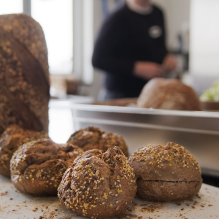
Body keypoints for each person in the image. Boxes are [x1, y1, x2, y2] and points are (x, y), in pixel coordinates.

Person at [92, 0, 176, 100]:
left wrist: (167, 57)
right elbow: (98, 59)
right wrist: (136, 68)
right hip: (121, 96)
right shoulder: (118, 17)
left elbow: (160, 47)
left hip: (150, 93)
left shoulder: (158, 13)